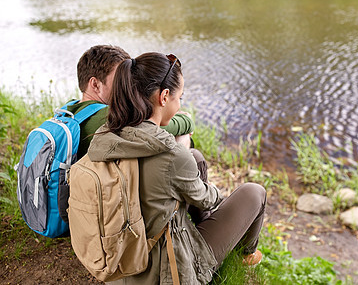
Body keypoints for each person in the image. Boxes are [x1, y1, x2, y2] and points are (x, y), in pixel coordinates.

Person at [87, 53, 267, 284]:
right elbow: (207, 199)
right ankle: (247, 255)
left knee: (195, 157)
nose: (179, 103)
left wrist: (184, 155)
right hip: (166, 269)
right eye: (179, 97)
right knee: (254, 192)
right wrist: (213, 190)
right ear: (164, 97)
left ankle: (207, 225)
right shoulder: (171, 155)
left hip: (121, 262)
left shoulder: (105, 137)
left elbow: (172, 164)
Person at [67, 45, 195, 159]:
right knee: (192, 153)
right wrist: (186, 120)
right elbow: (155, 126)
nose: (128, 84)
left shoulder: (70, 110)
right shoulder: (108, 115)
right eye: (120, 79)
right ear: (95, 84)